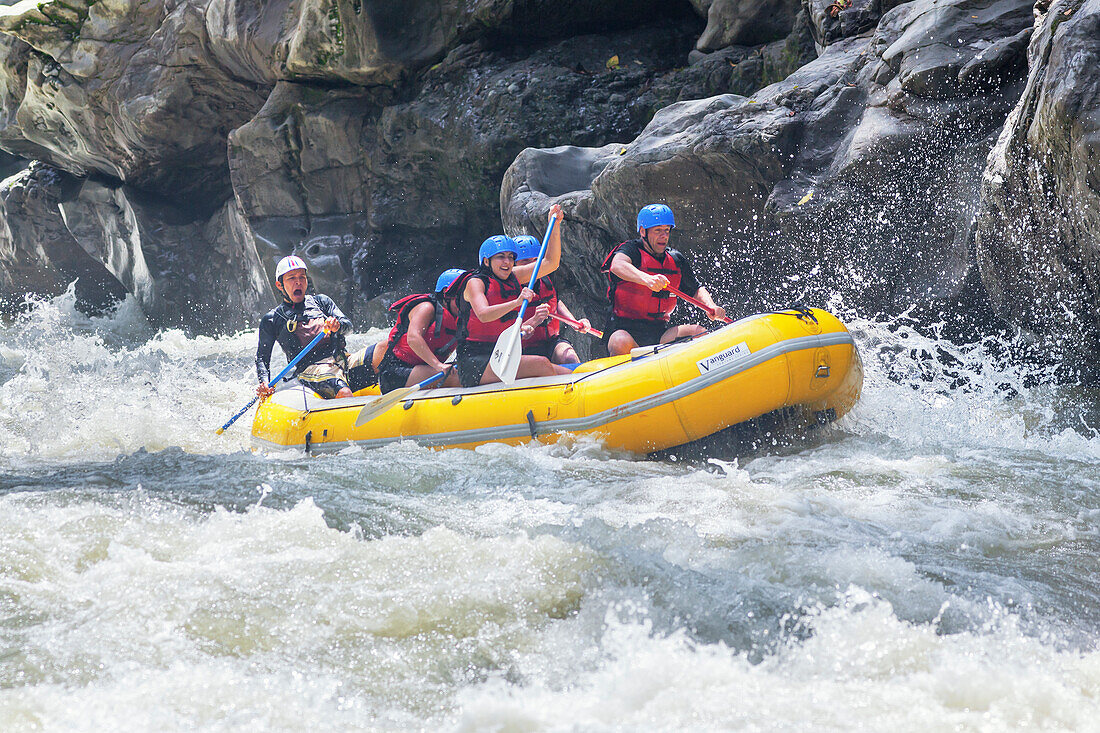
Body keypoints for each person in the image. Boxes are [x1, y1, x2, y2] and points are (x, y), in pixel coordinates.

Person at [450, 205, 574, 386]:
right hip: (476, 360)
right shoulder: (475, 283)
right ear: (486, 261)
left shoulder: (513, 276)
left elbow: (550, 263)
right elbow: (484, 314)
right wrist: (517, 302)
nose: (507, 262)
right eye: (500, 257)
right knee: (541, 364)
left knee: (569, 371)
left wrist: (554, 225)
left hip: (503, 352)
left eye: (510, 257)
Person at [601, 203, 726, 356]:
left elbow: (695, 289)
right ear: (643, 231)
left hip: (659, 333)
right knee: (620, 341)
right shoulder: (631, 249)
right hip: (624, 329)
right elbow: (617, 265)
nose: (664, 236)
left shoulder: (675, 259)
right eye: (658, 230)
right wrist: (647, 279)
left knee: (699, 332)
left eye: (667, 230)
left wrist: (711, 306)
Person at [255, 255, 377, 400]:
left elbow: (349, 327)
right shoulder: (272, 319)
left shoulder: (322, 302)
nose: (298, 282)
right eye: (292, 278)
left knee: (384, 349)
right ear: (280, 285)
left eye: (302, 277)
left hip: (342, 360)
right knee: (344, 393)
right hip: (311, 370)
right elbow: (262, 358)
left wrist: (338, 326)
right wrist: (264, 383)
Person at [375, 269, 465, 394]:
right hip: (397, 372)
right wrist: (439, 366)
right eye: (463, 296)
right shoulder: (426, 308)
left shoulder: (462, 316)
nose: (467, 302)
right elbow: (413, 338)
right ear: (446, 293)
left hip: (424, 369)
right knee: (463, 378)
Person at [512, 234, 593, 364]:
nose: (533, 266)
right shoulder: (508, 289)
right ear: (514, 264)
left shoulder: (546, 279)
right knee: (540, 364)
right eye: (526, 262)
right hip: (520, 348)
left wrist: (573, 322)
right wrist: (534, 320)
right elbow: (506, 332)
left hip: (550, 342)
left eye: (536, 261)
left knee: (569, 357)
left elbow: (556, 300)